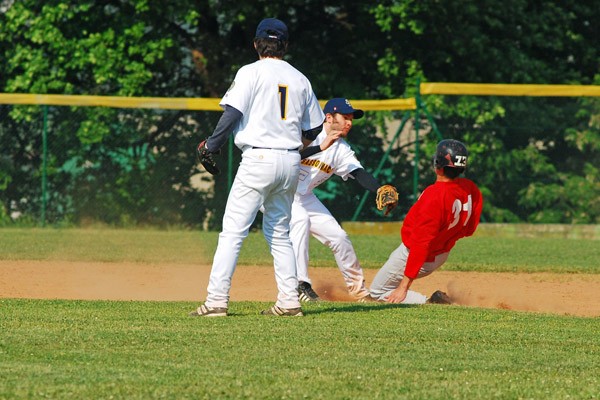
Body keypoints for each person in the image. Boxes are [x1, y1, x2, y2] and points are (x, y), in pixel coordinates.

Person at [190, 18, 325, 317]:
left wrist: (211, 145)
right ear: (285, 45)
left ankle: (216, 301)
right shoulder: (300, 78)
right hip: (290, 160)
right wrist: (291, 142)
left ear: (256, 44)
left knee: (233, 232)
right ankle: (289, 301)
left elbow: (233, 113)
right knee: (279, 233)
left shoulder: (249, 72)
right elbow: (315, 127)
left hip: (258, 159)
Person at [291, 98, 398, 303]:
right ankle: (300, 284)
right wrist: (321, 147)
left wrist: (379, 189)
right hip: (279, 192)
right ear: (329, 117)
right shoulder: (307, 134)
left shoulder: (341, 149)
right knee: (300, 221)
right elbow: (288, 154)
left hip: (304, 197)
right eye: (345, 117)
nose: (349, 122)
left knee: (339, 237)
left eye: (351, 119)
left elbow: (358, 172)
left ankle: (360, 293)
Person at [369, 139, 483, 304]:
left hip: (418, 254)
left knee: (377, 293)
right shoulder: (470, 188)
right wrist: (447, 237)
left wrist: (404, 287)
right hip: (441, 253)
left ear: (437, 164)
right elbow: (469, 228)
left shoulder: (434, 196)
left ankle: (430, 302)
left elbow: (421, 243)